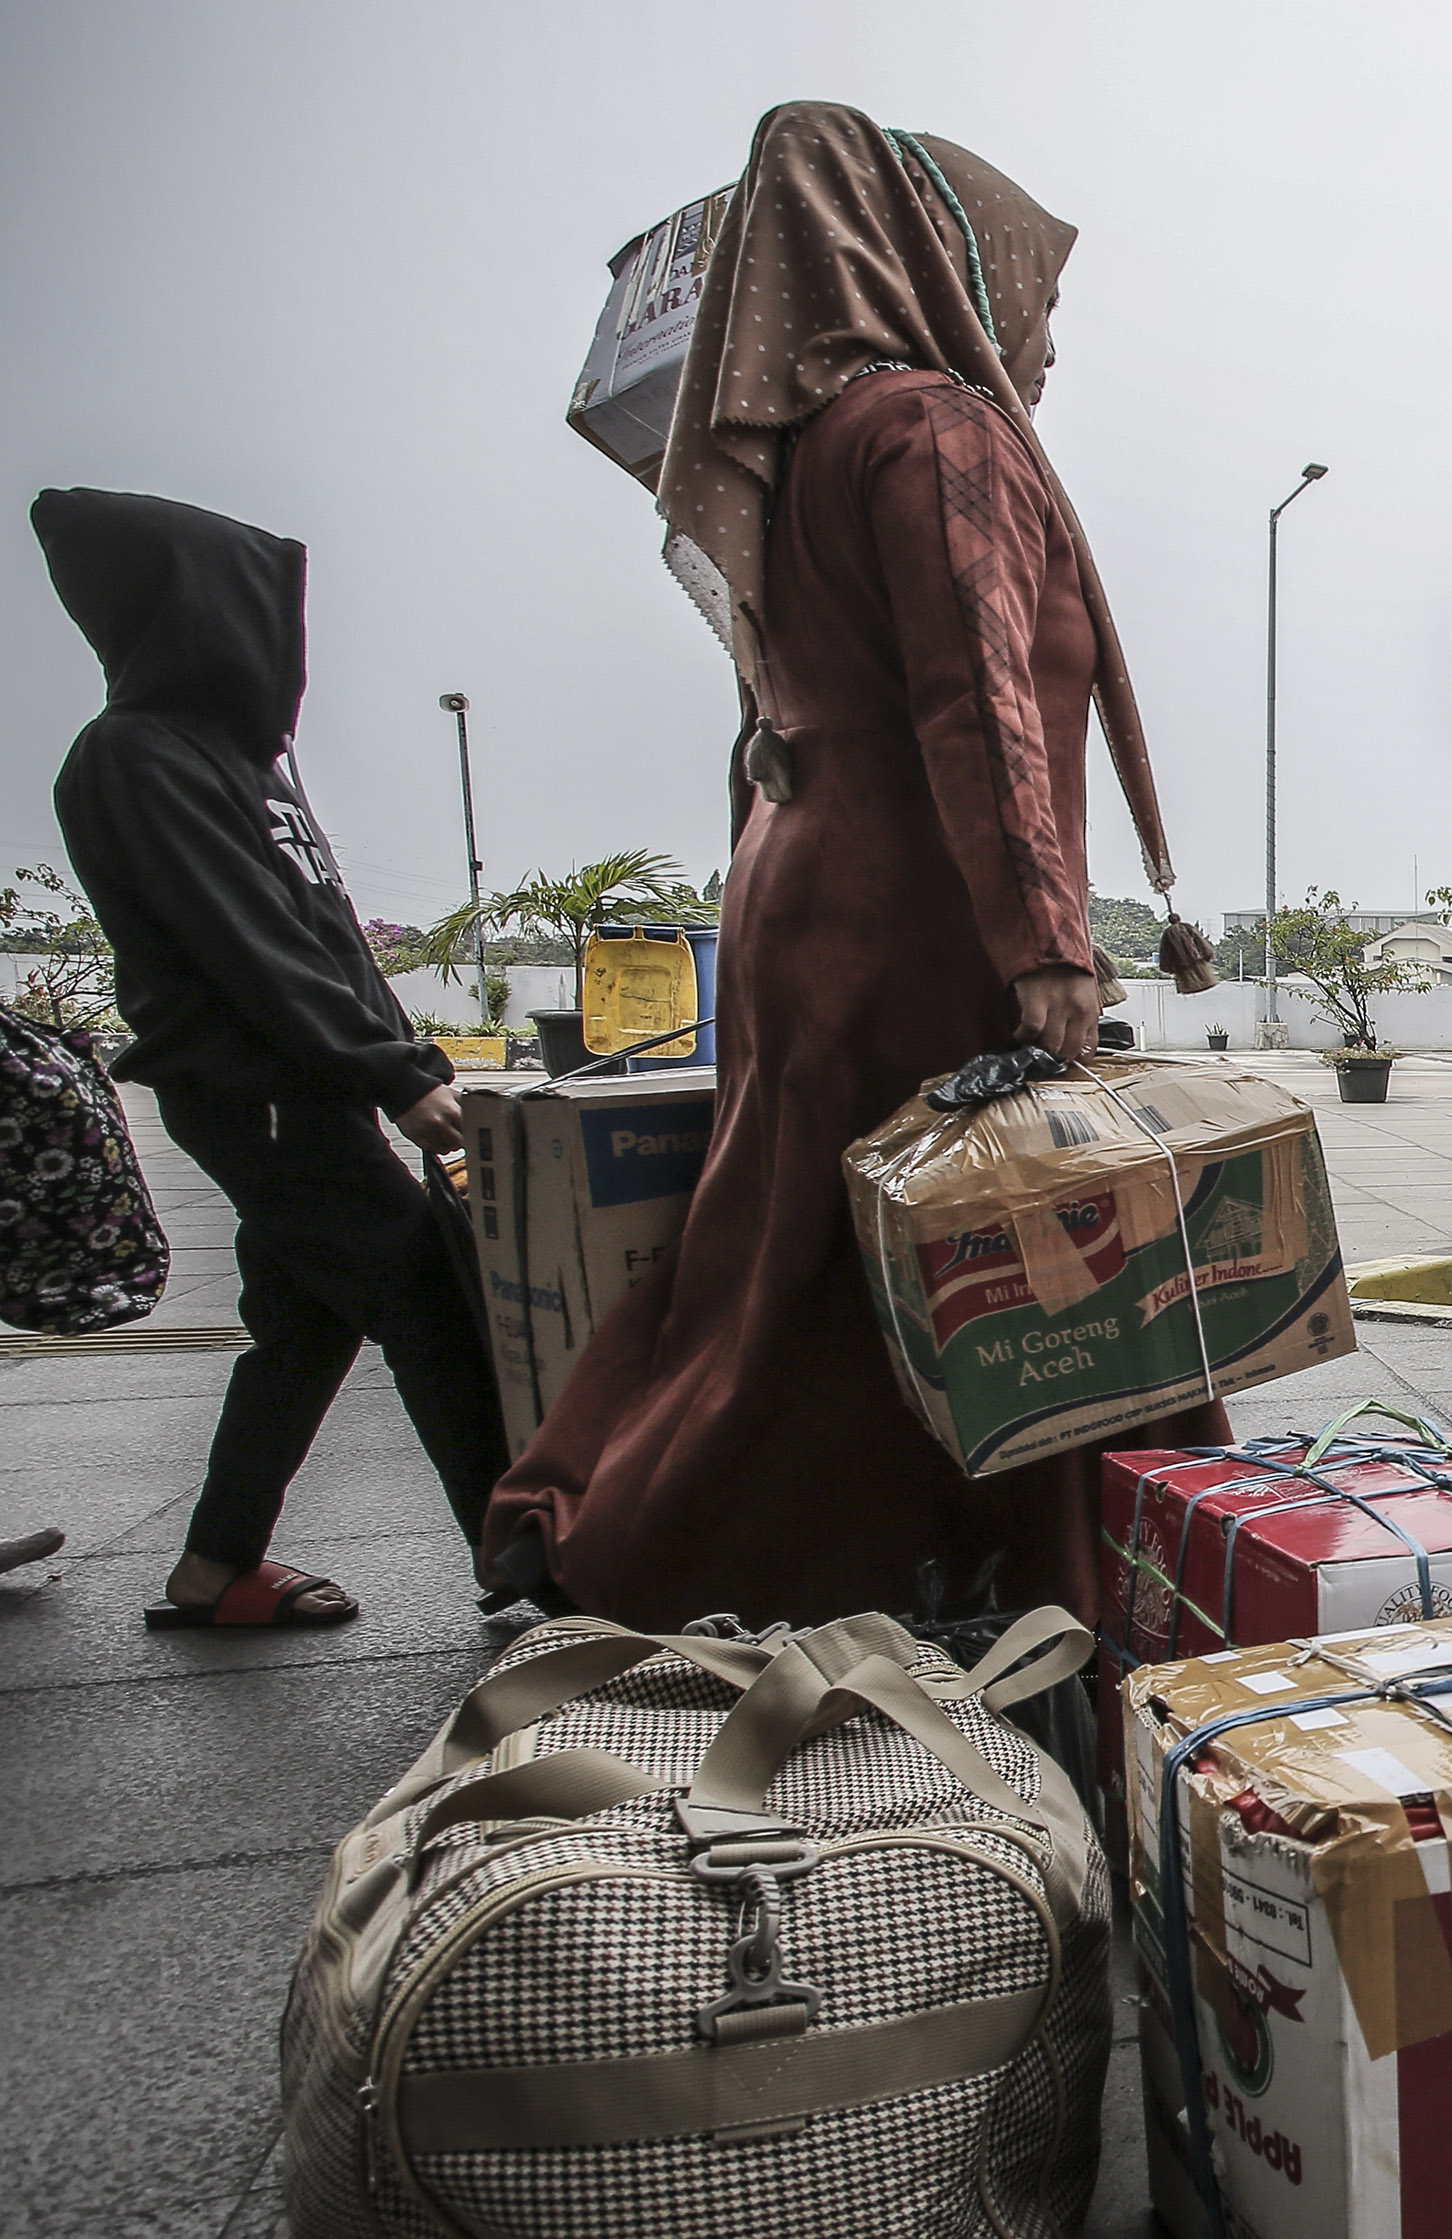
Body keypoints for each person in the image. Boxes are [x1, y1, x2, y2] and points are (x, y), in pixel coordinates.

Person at [479, 104, 1217, 1627]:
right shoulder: (938, 429)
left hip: (810, 900)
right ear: (946, 260)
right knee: (1008, 1256)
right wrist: (1044, 939)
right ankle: (1051, 1582)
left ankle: (643, 1528)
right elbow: (978, 695)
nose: (1049, 338)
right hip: (925, 918)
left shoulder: (805, 446)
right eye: (1041, 293)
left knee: (791, 1260)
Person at [32, 488, 510, 1631]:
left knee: (305, 1325)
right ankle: (543, 1574)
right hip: (256, 1095)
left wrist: (407, 1059)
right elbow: (242, 939)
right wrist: (389, 1072)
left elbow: (326, 933)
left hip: (304, 1089)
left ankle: (215, 1565)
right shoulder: (132, 755)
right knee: (430, 1304)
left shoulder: (247, 763)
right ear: (199, 610)